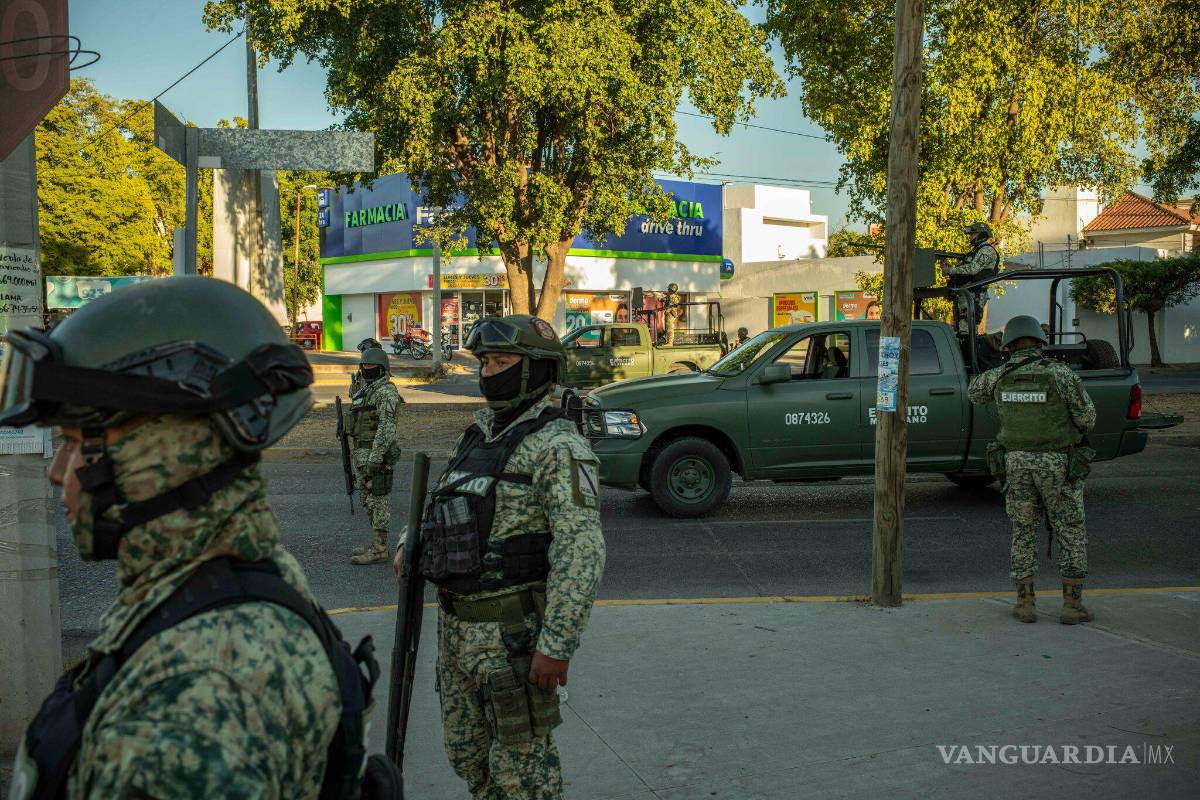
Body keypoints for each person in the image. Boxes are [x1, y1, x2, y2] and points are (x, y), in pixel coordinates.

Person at [1, 277, 384, 799]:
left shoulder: (197, 695)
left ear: (170, 447)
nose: (57, 471)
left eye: (73, 442)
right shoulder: (218, 578)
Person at [396, 314, 606, 800]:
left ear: (537, 370)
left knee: (522, 777)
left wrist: (556, 644)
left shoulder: (559, 445)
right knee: (469, 759)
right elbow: (448, 499)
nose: (489, 372)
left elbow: (582, 548)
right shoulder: (477, 434)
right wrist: (412, 539)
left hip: (510, 641)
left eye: (503, 361)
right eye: (486, 361)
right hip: (456, 635)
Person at [967, 315, 1097, 625]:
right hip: (1057, 463)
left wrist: (991, 352)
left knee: (1023, 532)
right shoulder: (1061, 375)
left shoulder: (999, 376)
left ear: (1008, 345)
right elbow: (1087, 418)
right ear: (1040, 342)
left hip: (1016, 463)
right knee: (1069, 530)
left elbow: (974, 393)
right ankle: (1071, 604)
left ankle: (1025, 603)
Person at [348, 346, 403, 564]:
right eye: (363, 366)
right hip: (361, 453)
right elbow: (353, 398)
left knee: (378, 500)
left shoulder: (387, 392)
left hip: (375, 455)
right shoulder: (367, 389)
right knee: (365, 498)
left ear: (382, 369)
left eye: (370, 366)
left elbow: (387, 427)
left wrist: (376, 456)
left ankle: (380, 548)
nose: (365, 369)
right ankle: (376, 542)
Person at [943, 222, 1000, 334]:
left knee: (966, 330)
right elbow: (963, 269)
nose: (970, 237)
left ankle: (968, 350)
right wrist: (948, 267)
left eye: (973, 234)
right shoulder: (975, 251)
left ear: (981, 234)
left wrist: (949, 270)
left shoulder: (987, 250)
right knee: (961, 328)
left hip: (974, 295)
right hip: (966, 294)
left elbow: (973, 269)